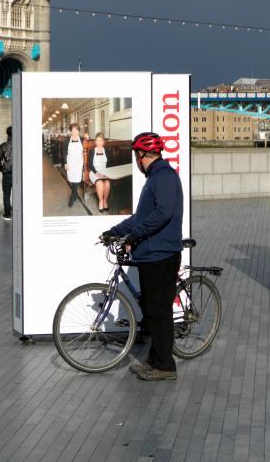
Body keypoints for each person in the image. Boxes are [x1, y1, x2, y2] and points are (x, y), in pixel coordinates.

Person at [103, 132, 184, 382]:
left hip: (162, 254)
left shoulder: (164, 177)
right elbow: (140, 217)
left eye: (136, 156)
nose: (136, 161)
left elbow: (163, 214)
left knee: (159, 311)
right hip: (151, 255)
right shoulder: (154, 178)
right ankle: (153, 359)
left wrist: (133, 237)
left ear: (141, 155)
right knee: (151, 310)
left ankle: (165, 366)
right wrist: (114, 232)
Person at [0, 126, 14, 221]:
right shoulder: (21, 145)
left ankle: (7, 214)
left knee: (6, 194)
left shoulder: (3, 146)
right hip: (19, 175)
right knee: (19, 194)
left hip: (7, 174)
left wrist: (2, 169)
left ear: (7, 134)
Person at [64, 124, 86, 209]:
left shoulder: (82, 139)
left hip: (79, 163)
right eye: (73, 130)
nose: (75, 132)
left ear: (79, 131)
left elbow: (88, 144)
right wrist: (65, 163)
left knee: (77, 179)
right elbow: (64, 152)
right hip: (70, 162)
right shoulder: (66, 140)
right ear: (71, 131)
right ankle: (75, 193)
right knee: (72, 179)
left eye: (76, 130)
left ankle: (72, 197)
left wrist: (87, 137)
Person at [91, 133, 112, 213]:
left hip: (104, 171)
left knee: (107, 183)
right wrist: (97, 173)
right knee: (100, 183)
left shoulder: (106, 150)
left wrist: (106, 173)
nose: (99, 142)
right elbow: (90, 164)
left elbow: (109, 163)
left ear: (103, 142)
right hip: (94, 172)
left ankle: (105, 200)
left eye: (101, 140)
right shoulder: (92, 151)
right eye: (97, 140)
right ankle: (100, 201)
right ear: (95, 141)